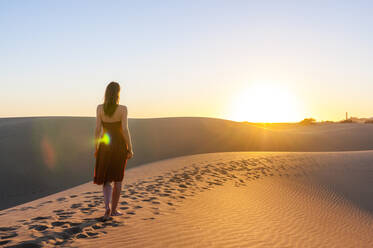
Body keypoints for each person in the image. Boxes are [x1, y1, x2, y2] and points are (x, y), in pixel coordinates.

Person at [93, 81, 134, 220]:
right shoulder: (123, 109)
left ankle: (107, 208)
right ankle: (114, 210)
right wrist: (130, 148)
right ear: (118, 93)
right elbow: (124, 129)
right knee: (118, 180)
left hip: (105, 146)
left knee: (106, 180)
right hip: (119, 146)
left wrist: (96, 148)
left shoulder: (99, 108)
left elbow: (98, 130)